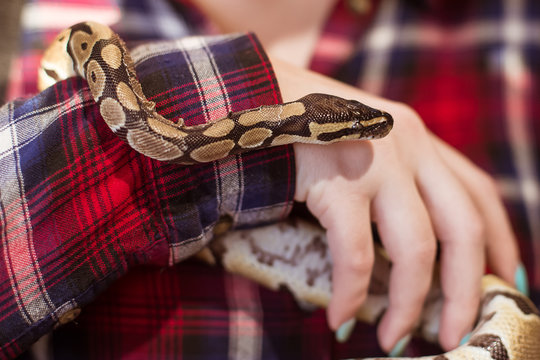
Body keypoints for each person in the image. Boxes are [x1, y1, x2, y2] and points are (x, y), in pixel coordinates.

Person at [0, 0, 536, 358]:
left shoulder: (515, 26)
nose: (370, 128)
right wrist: (229, 85)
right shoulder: (60, 25)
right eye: (354, 125)